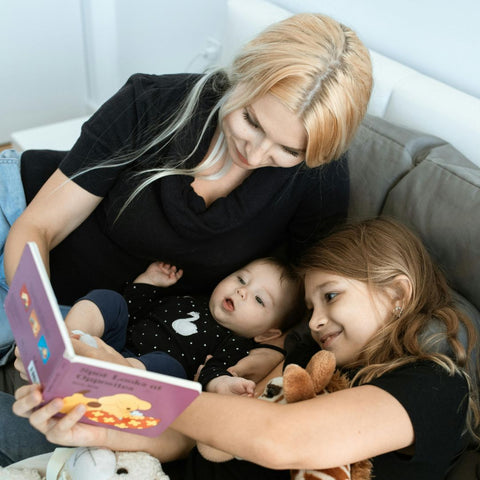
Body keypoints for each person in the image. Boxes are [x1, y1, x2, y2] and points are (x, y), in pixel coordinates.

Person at [0, 11, 373, 369]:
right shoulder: (150, 101)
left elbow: (310, 304)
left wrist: (267, 360)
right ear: (239, 77)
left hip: (95, 310)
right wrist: (39, 330)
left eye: (289, 149)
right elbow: (39, 227)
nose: (256, 154)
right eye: (251, 121)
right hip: (18, 221)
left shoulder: (317, 175)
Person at [8, 217, 480, 480]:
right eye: (312, 304)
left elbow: (281, 438)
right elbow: (192, 437)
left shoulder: (435, 386)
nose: (314, 321)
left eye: (331, 296)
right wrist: (98, 427)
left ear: (397, 294)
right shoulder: (302, 366)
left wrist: (136, 384)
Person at [64, 257, 304, 392]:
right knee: (110, 299)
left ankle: (113, 371)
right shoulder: (189, 299)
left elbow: (213, 372)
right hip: (114, 342)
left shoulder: (235, 343)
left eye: (259, 299)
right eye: (241, 279)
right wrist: (148, 282)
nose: (242, 291)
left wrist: (225, 385)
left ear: (266, 334)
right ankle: (69, 337)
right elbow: (133, 310)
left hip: (142, 378)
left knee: (169, 367)